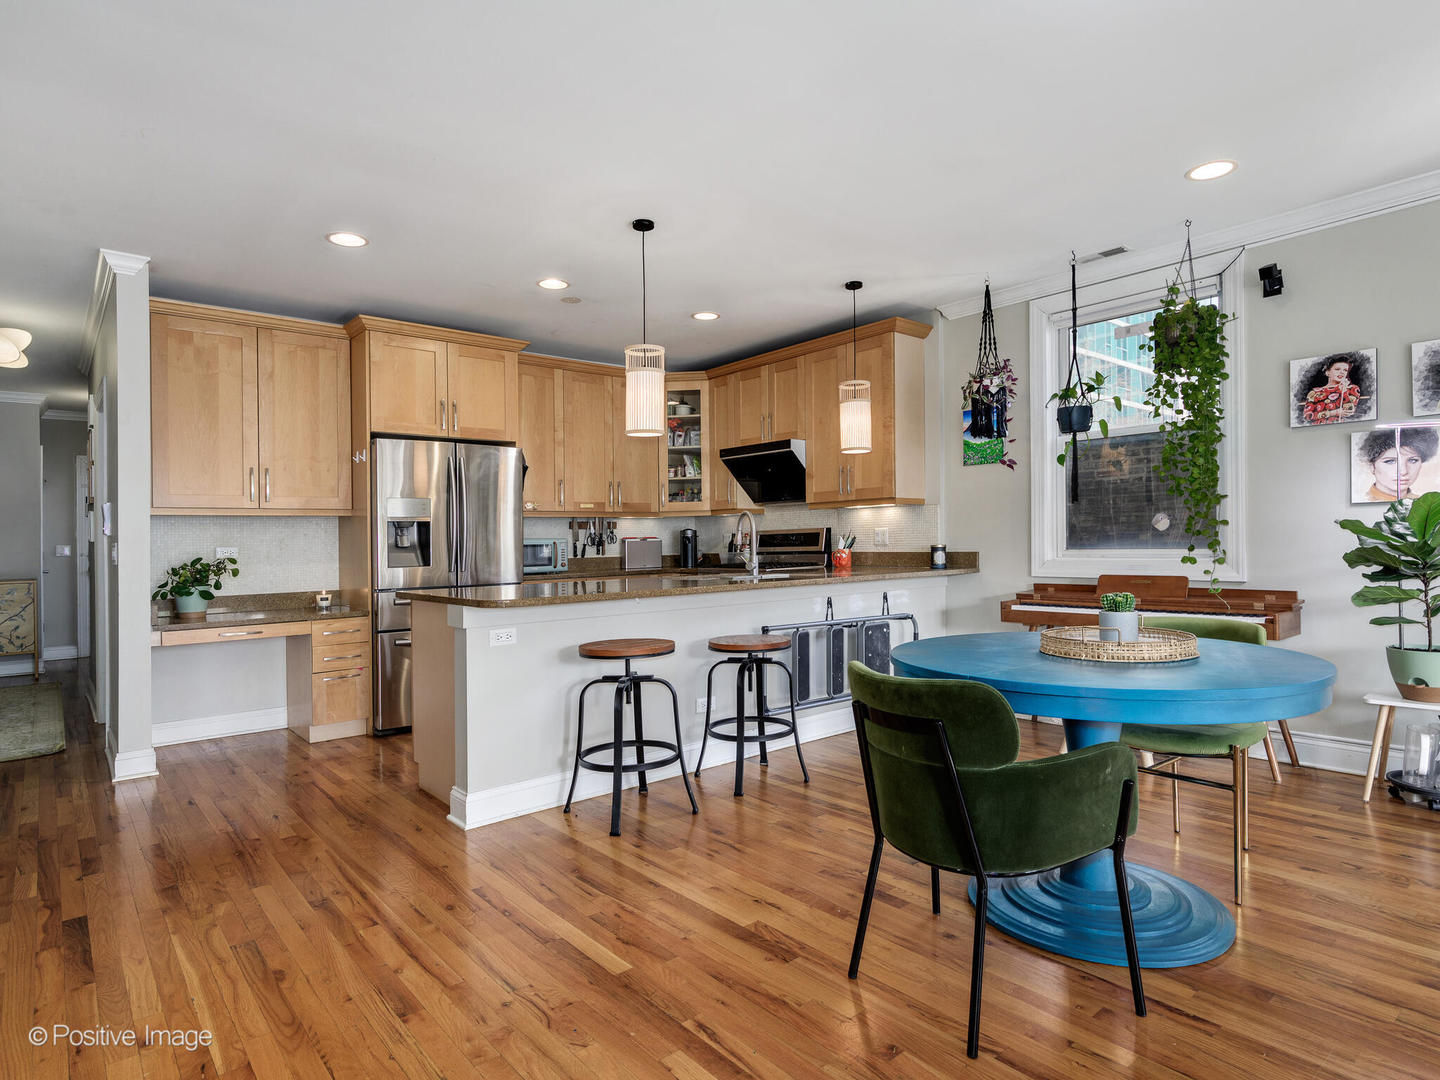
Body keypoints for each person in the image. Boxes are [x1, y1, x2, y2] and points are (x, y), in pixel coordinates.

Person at [1358, 426, 1440, 501]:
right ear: (1372, 466)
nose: (1403, 471)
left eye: (1413, 460)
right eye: (1390, 461)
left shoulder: (1422, 503)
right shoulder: (1364, 499)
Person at [1302, 355, 1364, 424]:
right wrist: (1333, 413)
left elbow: (1348, 411)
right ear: (1327, 372)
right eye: (1337, 369)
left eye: (1345, 370)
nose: (1342, 372)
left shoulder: (1352, 388)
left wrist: (1344, 391)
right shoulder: (1315, 392)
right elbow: (1307, 416)